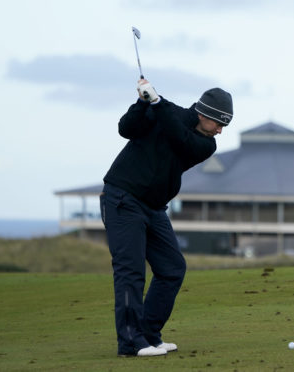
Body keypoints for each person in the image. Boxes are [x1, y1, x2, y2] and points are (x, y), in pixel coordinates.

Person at [100, 79, 233, 357]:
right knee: (130, 272)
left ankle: (148, 334)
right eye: (218, 123)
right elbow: (127, 129)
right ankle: (130, 342)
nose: (220, 130)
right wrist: (141, 103)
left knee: (172, 268)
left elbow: (179, 138)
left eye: (225, 126)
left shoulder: (205, 145)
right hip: (123, 199)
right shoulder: (162, 110)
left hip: (154, 207)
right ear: (203, 113)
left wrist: (157, 104)